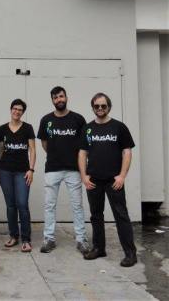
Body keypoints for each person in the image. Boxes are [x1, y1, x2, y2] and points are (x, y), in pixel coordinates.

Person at [78, 92, 137, 267]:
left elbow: (127, 151)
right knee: (96, 216)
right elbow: (82, 153)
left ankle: (130, 253)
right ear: (93, 108)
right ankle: (99, 248)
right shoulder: (87, 129)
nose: (100, 108)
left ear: (109, 107)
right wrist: (84, 176)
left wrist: (122, 176)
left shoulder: (119, 127)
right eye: (97, 106)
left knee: (121, 216)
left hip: (114, 181)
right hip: (93, 181)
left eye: (103, 106)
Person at [37, 86, 89, 254]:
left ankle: (81, 239)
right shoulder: (46, 120)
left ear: (66, 97)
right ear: (52, 100)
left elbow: (84, 145)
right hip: (52, 168)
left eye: (61, 96)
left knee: (77, 205)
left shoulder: (78, 119)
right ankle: (49, 239)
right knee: (49, 205)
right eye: (55, 97)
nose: (59, 99)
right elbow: (44, 143)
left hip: (74, 169)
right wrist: (55, 154)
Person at [0, 98, 36, 252]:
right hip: (5, 171)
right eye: (15, 108)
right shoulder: (3, 128)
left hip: (22, 171)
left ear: (22, 112)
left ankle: (26, 239)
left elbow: (32, 150)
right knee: (10, 205)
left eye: (20, 110)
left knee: (22, 204)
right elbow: (1, 150)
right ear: (11, 109)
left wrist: (31, 169)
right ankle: (14, 236)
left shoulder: (27, 128)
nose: (17, 111)